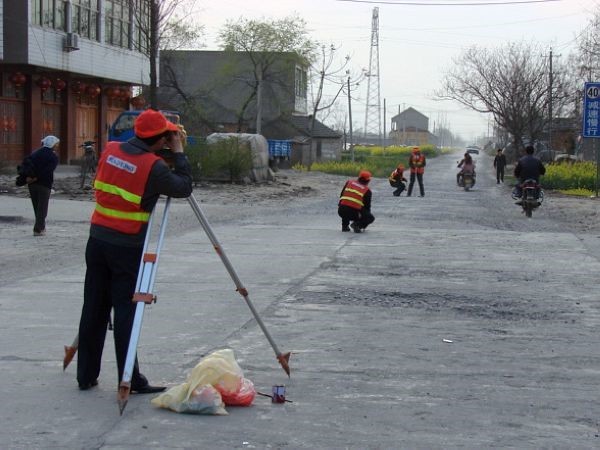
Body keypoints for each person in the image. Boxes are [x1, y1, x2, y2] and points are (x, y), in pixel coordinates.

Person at [77, 109, 193, 392]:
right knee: (126, 312)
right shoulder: (153, 167)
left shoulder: (112, 149)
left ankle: (85, 375)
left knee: (93, 306)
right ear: (160, 139)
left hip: (97, 240)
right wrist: (178, 153)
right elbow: (184, 187)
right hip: (126, 248)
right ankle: (129, 377)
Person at [26, 135, 59, 236]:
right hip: (44, 184)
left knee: (36, 206)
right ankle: (38, 229)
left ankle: (41, 226)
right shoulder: (53, 157)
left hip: (32, 184)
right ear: (53, 145)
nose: (57, 146)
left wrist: (29, 177)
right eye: (56, 144)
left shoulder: (35, 153)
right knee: (42, 207)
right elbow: (47, 171)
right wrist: (37, 177)